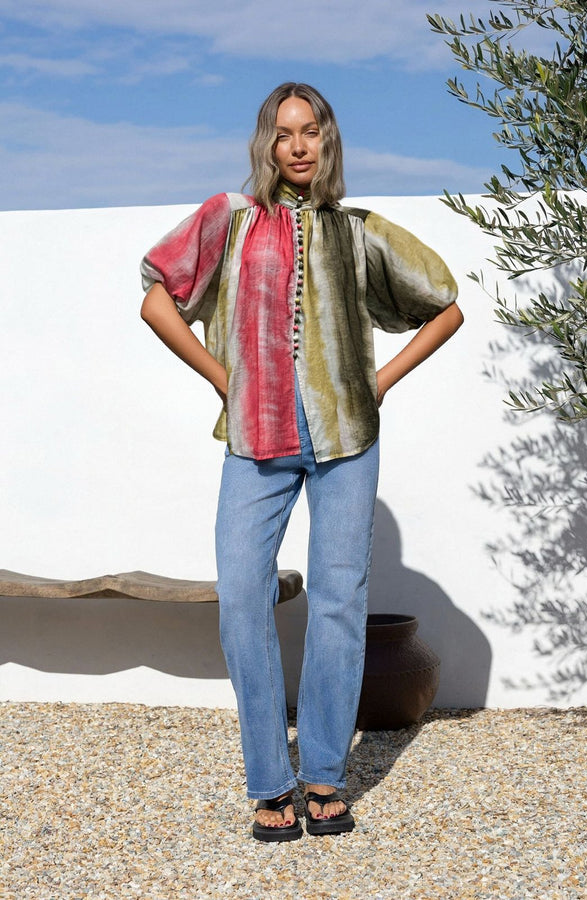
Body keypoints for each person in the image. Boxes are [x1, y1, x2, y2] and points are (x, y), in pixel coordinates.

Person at [140, 82, 463, 842]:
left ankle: (322, 774)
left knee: (339, 602)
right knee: (241, 596)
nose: (297, 145)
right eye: (284, 132)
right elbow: (156, 299)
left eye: (310, 131)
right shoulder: (230, 218)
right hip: (256, 438)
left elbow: (446, 306)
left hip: (346, 438)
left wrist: (377, 382)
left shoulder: (359, 232)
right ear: (267, 142)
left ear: (327, 140)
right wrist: (224, 379)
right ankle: (268, 778)